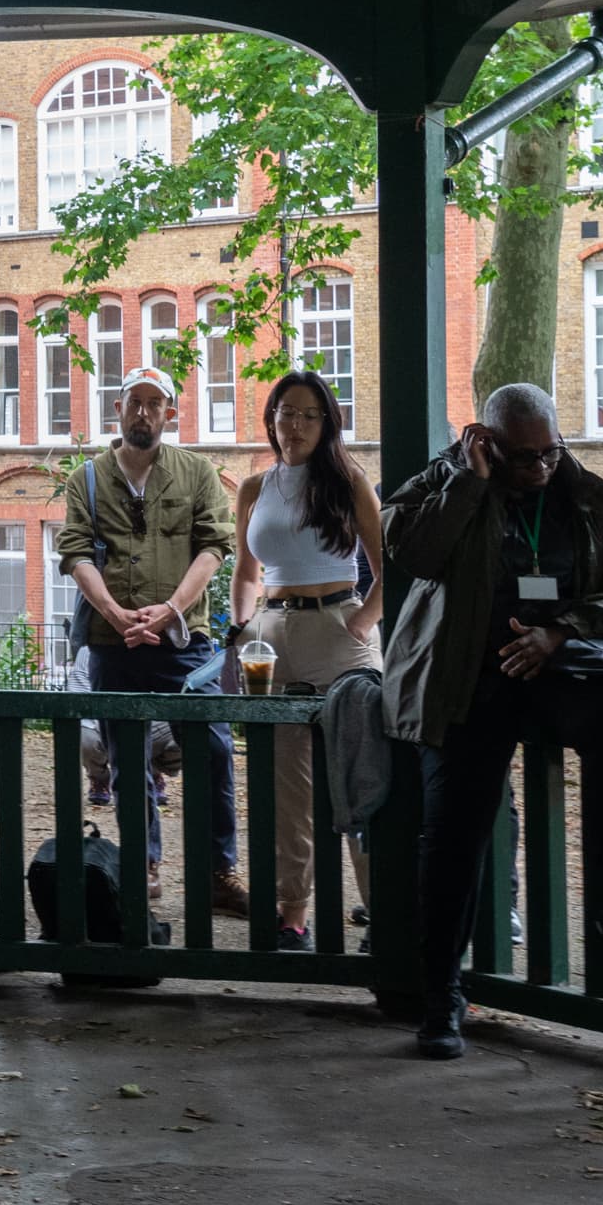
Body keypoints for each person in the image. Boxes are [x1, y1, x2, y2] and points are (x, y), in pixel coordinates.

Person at [382, 384, 603, 1061]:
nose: (538, 468)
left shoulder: (589, 500)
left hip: (557, 667)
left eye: (549, 453)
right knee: (453, 832)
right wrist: (468, 484)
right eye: (521, 456)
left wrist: (563, 629)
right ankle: (442, 994)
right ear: (486, 442)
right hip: (466, 679)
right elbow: (411, 552)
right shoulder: (447, 479)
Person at [55, 365, 239, 904]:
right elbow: (74, 553)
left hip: (185, 641)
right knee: (127, 759)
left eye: (153, 403)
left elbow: (214, 548)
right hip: (114, 645)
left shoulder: (197, 472)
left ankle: (217, 871)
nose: (143, 411)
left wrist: (171, 609)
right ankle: (145, 865)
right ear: (118, 410)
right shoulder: (86, 479)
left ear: (170, 413)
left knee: (213, 747)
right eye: (133, 401)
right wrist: (113, 613)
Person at [229, 370, 384, 952]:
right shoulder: (253, 489)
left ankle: (381, 909)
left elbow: (388, 566)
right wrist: (241, 628)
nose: (294, 424)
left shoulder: (349, 483)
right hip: (270, 637)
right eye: (285, 412)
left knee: (360, 770)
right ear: (271, 419)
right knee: (283, 779)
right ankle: (293, 913)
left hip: (336, 625)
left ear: (327, 423)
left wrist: (362, 622)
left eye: (308, 414)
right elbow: (245, 574)